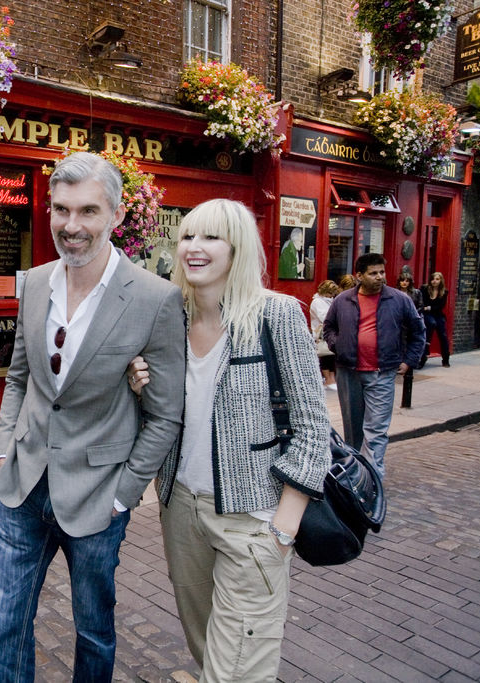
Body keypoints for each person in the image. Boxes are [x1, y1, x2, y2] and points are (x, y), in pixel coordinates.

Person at [0, 152, 186, 681]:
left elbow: (165, 416)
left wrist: (124, 493)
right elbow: (19, 378)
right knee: (4, 625)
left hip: (98, 495)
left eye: (89, 211)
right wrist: (5, 448)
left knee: (94, 631)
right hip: (21, 485)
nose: (72, 226)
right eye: (61, 210)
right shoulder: (33, 283)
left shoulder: (155, 298)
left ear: (117, 215)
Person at [127, 199, 330, 682]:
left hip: (252, 518)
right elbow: (164, 419)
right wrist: (139, 388)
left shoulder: (275, 315)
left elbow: (312, 430)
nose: (195, 247)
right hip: (181, 510)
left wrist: (281, 531)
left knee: (235, 672)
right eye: (189, 236)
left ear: (237, 247)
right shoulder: (168, 318)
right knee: (207, 652)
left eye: (211, 237)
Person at [323, 253, 425, 476]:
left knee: (376, 430)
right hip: (349, 372)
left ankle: (372, 479)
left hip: (382, 373)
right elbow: (329, 327)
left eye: (382, 272)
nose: (380, 277)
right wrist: (337, 345)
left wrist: (409, 361)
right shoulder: (343, 300)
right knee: (353, 429)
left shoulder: (399, 299)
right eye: (373, 273)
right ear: (359, 275)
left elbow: (419, 332)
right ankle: (354, 474)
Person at [311, 279, 340, 390]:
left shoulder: (330, 301)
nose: (332, 295)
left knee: (331, 354)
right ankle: (328, 379)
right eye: (330, 293)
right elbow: (324, 317)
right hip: (321, 333)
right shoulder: (317, 302)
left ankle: (331, 378)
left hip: (330, 331)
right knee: (324, 355)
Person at [420, 271, 450, 368]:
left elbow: (440, 306)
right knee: (431, 324)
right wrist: (428, 308)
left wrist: (429, 307)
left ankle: (445, 359)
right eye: (433, 279)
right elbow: (422, 303)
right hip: (427, 314)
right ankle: (424, 354)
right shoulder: (424, 289)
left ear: (441, 281)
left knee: (443, 336)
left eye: (437, 279)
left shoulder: (444, 292)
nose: (434, 281)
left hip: (438, 315)